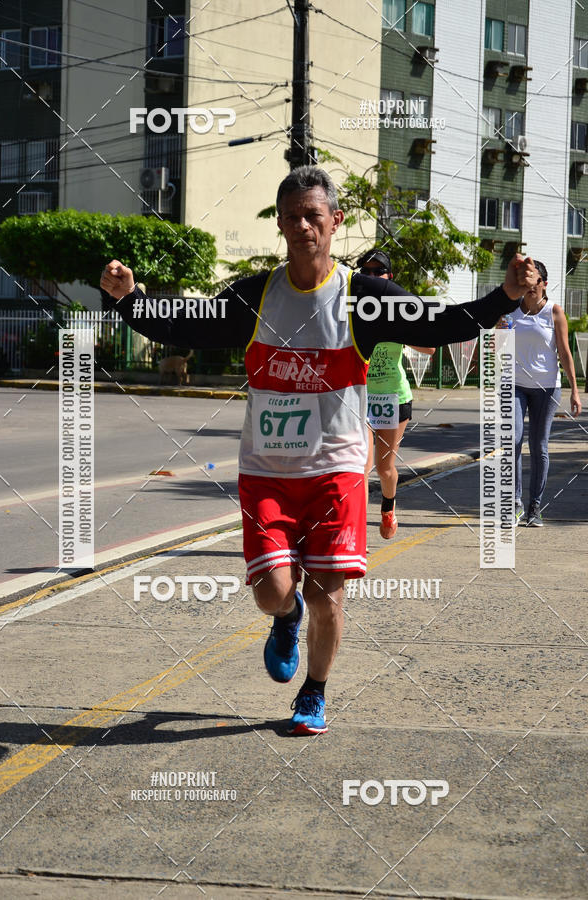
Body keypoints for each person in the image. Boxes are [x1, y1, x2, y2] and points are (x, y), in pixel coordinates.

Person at [101, 165, 535, 735]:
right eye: (293, 216)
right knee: (274, 592)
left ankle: (314, 691)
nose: (304, 226)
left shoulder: (365, 298)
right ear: (280, 225)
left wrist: (504, 295)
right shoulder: (255, 296)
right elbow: (188, 325)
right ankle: (284, 618)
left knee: (328, 592)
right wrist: (130, 299)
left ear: (336, 221)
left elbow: (442, 323)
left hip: (335, 475)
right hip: (267, 475)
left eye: (314, 215)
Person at [358, 249, 435, 540]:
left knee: (384, 467)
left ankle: (388, 510)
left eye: (379, 272)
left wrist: (401, 328)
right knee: (360, 468)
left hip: (392, 398)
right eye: (367, 271)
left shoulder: (396, 310)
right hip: (360, 397)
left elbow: (430, 347)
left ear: (390, 278)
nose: (373, 276)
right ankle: (357, 533)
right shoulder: (352, 309)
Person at [509, 259, 582, 526]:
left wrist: (575, 390)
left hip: (547, 388)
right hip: (515, 386)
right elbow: (494, 343)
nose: (529, 286)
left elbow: (564, 353)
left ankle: (534, 508)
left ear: (544, 284)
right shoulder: (509, 312)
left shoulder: (554, 312)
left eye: (534, 281)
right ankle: (515, 504)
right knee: (513, 441)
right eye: (525, 282)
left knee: (538, 447)